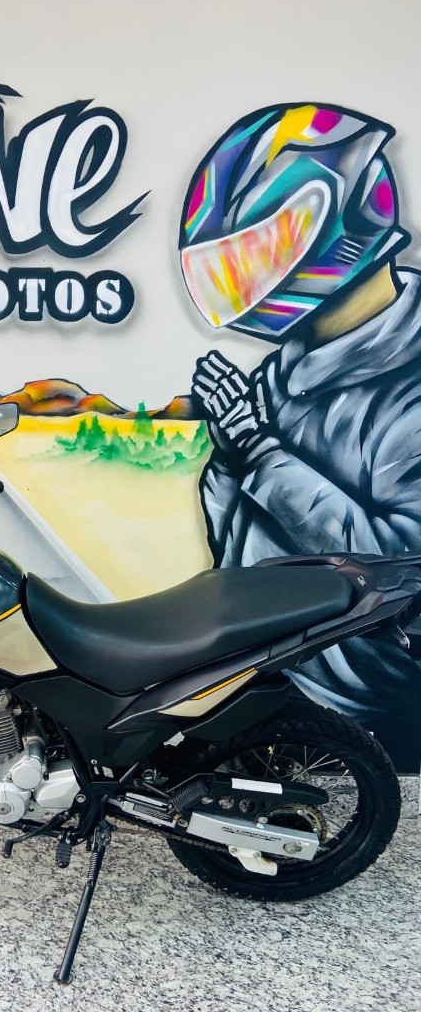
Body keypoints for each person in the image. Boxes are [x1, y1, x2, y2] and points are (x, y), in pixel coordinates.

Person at [179, 103, 421, 770]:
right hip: (267, 679)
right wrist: (233, 460)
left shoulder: (410, 379)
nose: (246, 281)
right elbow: (236, 545)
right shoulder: (286, 368)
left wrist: (260, 453)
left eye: (259, 252)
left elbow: (402, 565)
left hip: (360, 718)